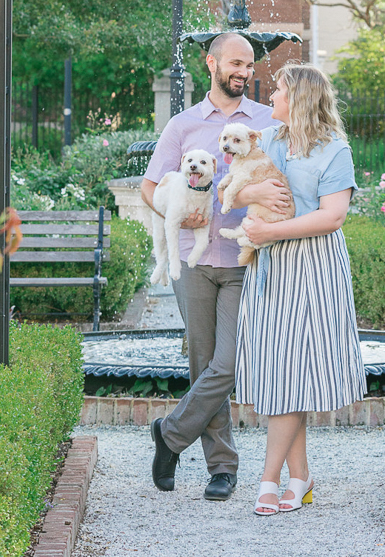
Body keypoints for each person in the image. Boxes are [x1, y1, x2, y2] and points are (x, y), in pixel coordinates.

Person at [140, 32, 289, 501]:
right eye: (236, 63)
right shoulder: (183, 125)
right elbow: (149, 187)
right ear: (211, 63)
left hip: (249, 259)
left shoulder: (268, 122)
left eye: (249, 64)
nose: (244, 71)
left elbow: (289, 179)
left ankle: (169, 435)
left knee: (228, 363)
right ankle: (222, 468)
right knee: (203, 362)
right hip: (194, 259)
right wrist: (176, 213)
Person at [232, 62, 367, 516]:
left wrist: (272, 231)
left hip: (312, 267)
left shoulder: (335, 151)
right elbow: (226, 192)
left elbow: (332, 217)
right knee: (284, 374)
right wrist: (253, 202)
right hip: (269, 268)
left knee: (292, 374)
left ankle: (269, 481)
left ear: (300, 99)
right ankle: (300, 477)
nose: (270, 95)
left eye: (278, 89)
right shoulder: (266, 140)